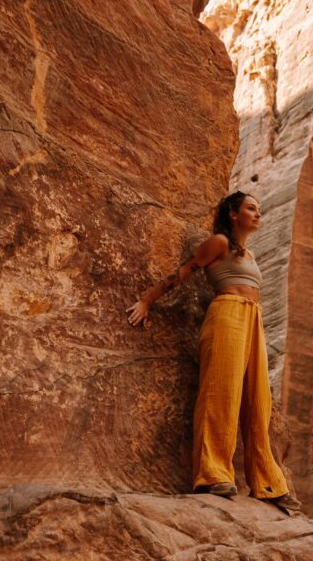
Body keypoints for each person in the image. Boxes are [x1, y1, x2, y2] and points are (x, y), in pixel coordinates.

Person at [126, 191, 300, 512]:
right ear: (233, 214)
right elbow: (183, 271)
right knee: (221, 392)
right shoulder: (219, 242)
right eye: (251, 208)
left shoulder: (249, 254)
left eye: (259, 209)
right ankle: (212, 473)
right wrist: (147, 300)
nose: (258, 214)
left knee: (258, 401)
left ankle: (266, 482)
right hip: (227, 314)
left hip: (253, 320)